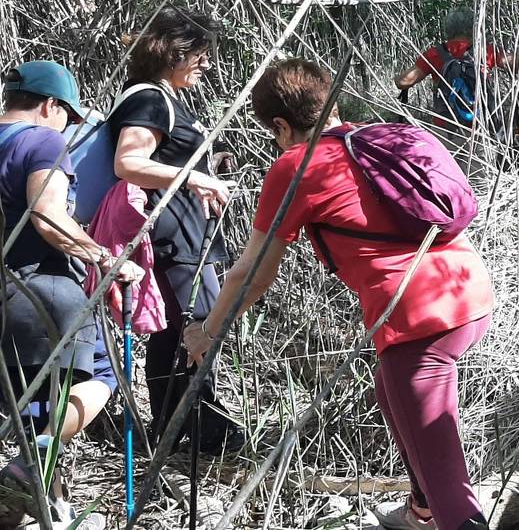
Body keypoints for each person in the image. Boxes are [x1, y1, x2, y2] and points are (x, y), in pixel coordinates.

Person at [183, 58, 495, 530]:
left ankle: (444, 514)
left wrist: (209, 331)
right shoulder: (396, 137)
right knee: (392, 396)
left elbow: (251, 272)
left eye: (273, 133)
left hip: (415, 317)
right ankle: (421, 511)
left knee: (447, 476)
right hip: (469, 293)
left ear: (281, 126)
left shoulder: (297, 165)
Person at [0, 60, 143, 530]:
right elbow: (46, 214)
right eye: (68, 115)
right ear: (49, 106)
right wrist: (106, 258)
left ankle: (45, 505)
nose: (68, 126)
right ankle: (26, 466)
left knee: (33, 399)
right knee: (102, 376)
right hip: (39, 284)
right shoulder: (42, 139)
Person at [108, 6, 243, 454]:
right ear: (173, 52)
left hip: (183, 233)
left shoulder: (161, 97)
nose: (206, 63)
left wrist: (207, 163)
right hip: (175, 237)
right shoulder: (149, 98)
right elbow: (128, 163)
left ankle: (176, 427)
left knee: (175, 329)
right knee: (200, 320)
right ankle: (193, 424)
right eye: (199, 54)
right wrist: (194, 177)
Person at [394, 7, 518, 141]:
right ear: (472, 28)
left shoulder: (434, 54)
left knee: (444, 162)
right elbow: (517, 63)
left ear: (448, 30)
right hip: (479, 127)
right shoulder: (485, 51)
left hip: (445, 127)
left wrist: (396, 77)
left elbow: (403, 82)